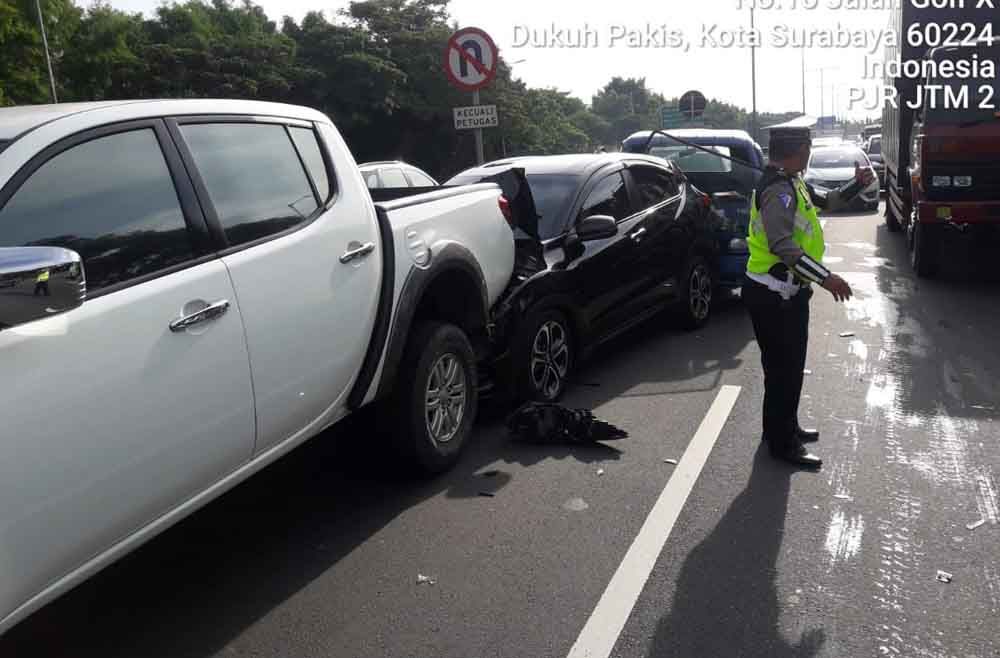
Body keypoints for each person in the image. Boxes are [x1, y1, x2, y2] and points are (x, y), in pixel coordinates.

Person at [743, 126, 875, 468]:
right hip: (773, 295)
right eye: (808, 147)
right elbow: (781, 245)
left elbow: (827, 201)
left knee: (790, 368)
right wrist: (826, 278)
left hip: (790, 292)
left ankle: (784, 427)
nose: (810, 152)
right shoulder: (777, 191)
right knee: (781, 370)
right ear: (796, 150)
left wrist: (857, 185)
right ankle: (781, 444)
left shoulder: (793, 182)